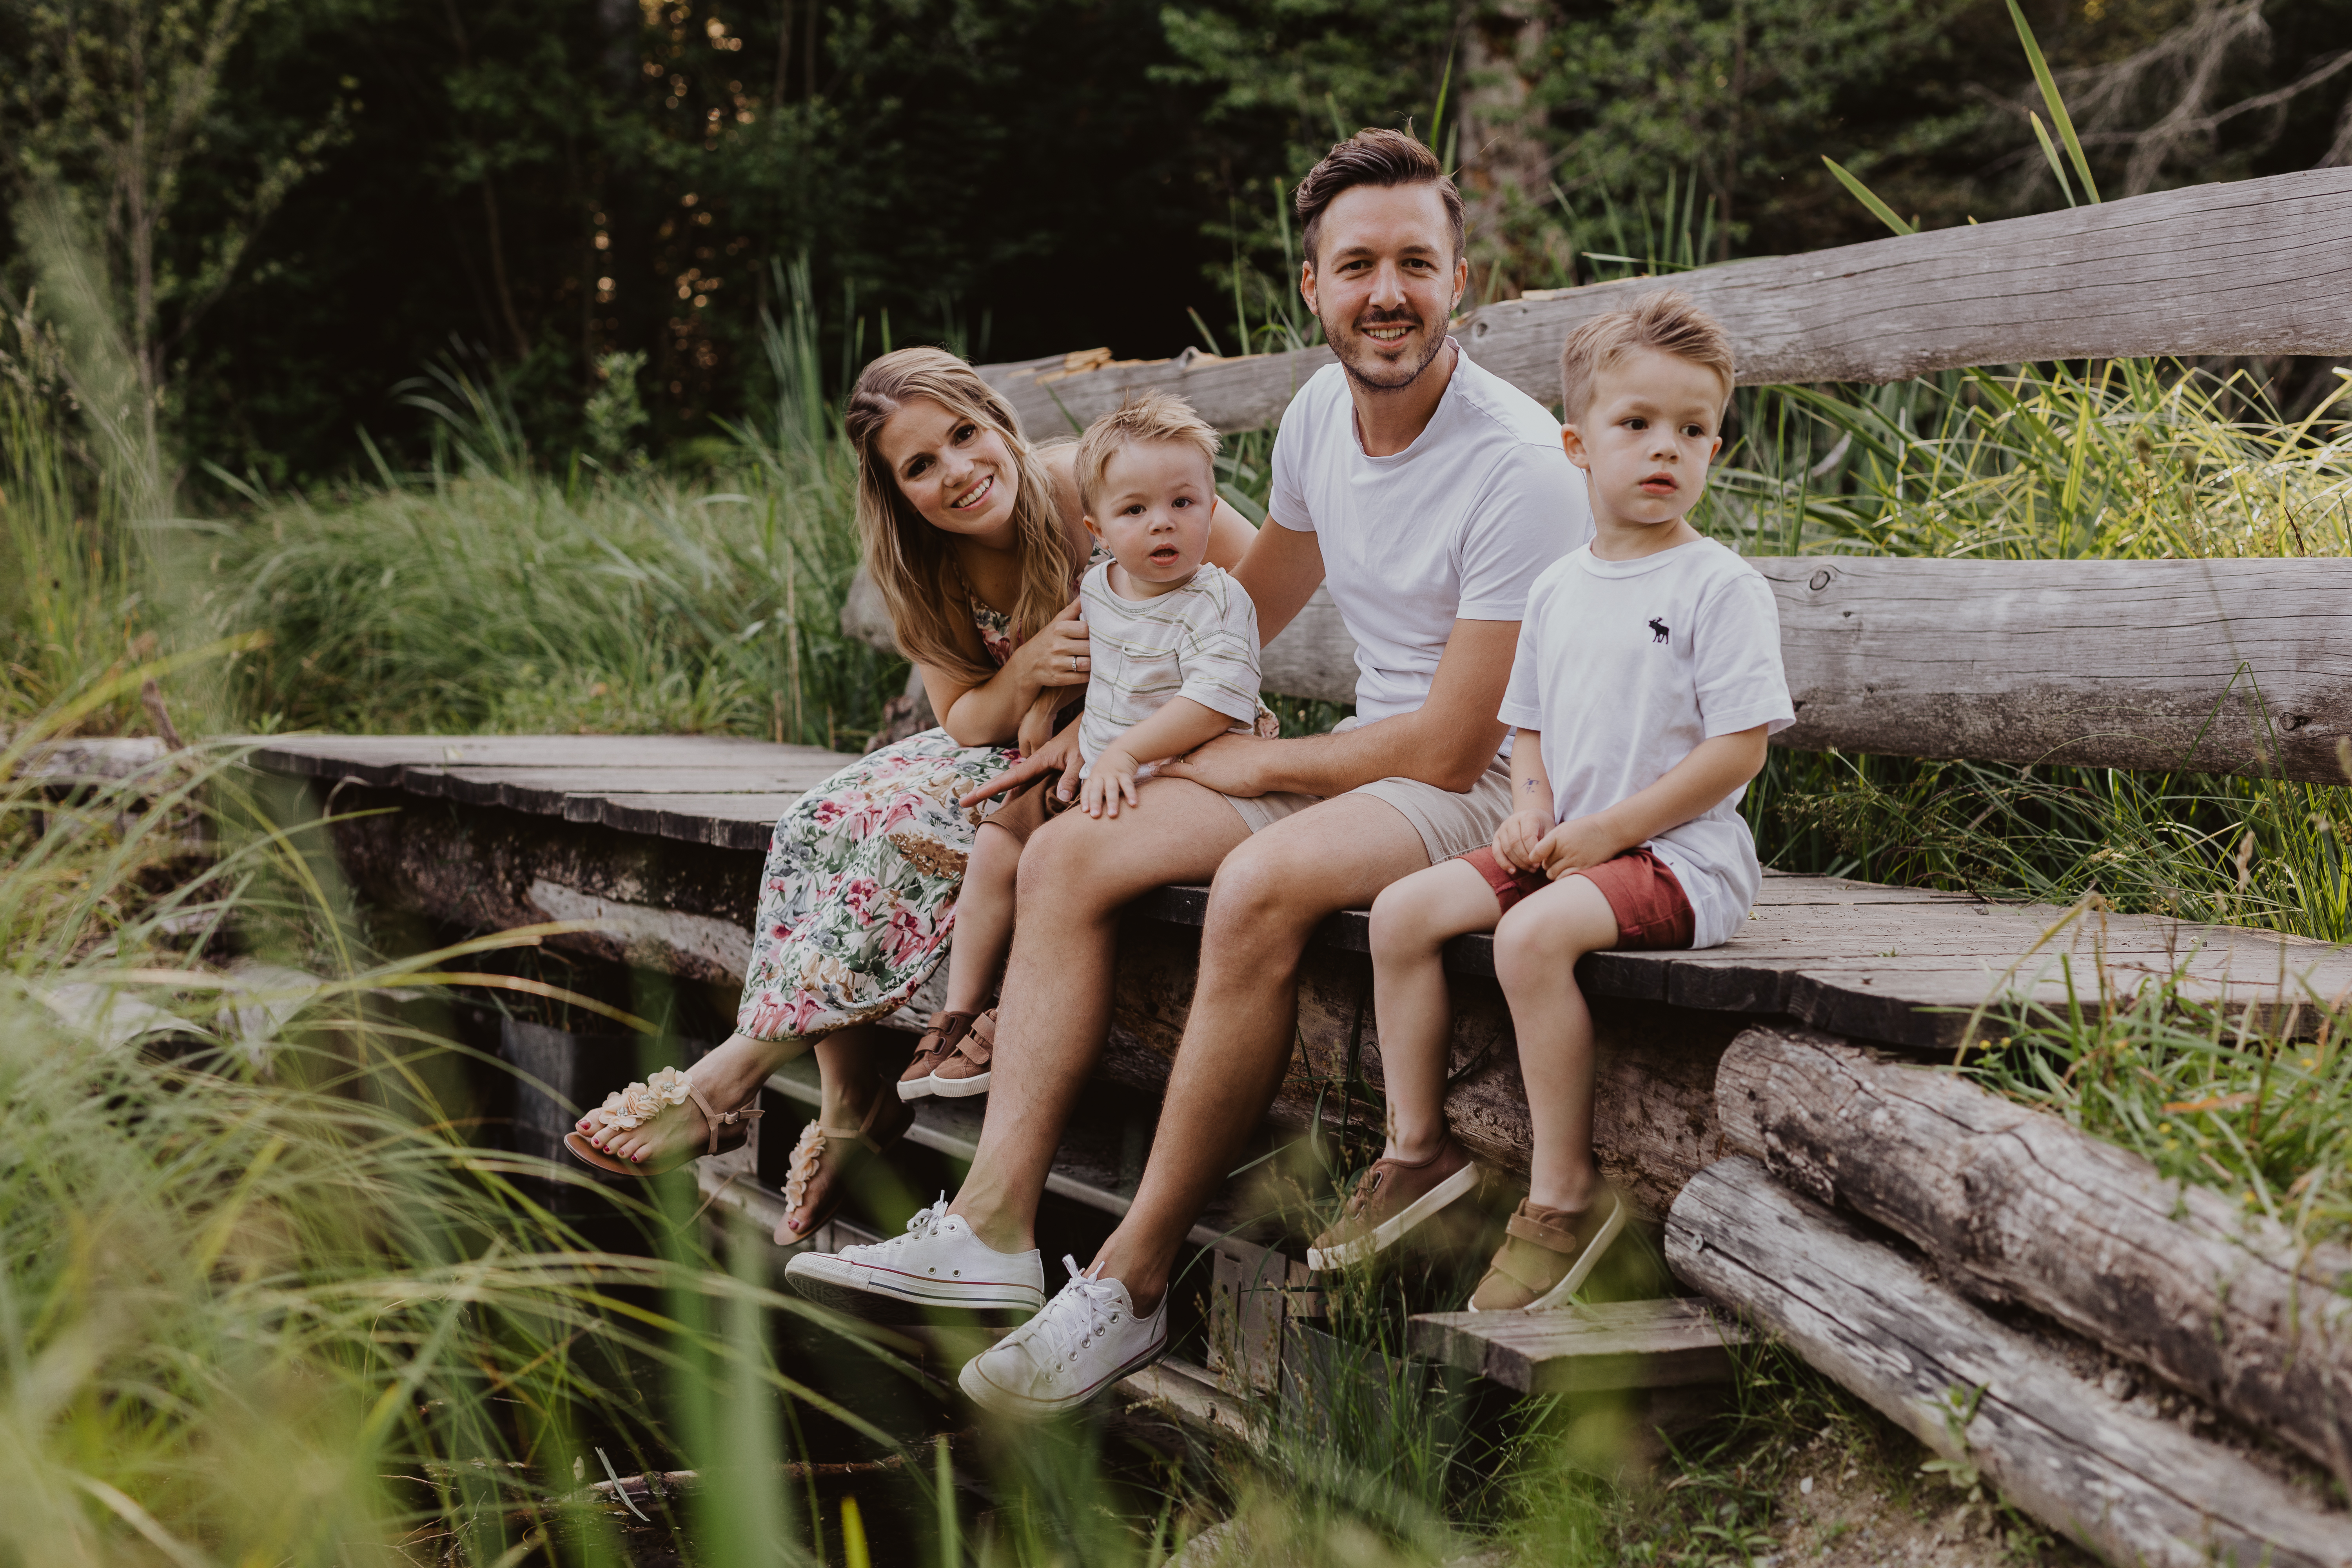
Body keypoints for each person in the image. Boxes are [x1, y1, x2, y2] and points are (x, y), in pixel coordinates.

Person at [782, 129, 1590, 1417]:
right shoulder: (1326, 414)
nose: (1389, 291)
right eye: (1358, 264)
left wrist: (1241, 759)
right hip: (1374, 768)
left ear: (1460, 278)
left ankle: (1131, 1284)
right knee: (1068, 847)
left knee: (1262, 882)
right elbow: (1241, 611)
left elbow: (1453, 747)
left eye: (1416, 264)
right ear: (1313, 285)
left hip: (1516, 786)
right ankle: (991, 1229)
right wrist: (1088, 734)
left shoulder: (1518, 466)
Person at [562, 347, 1254, 1247]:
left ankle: (729, 1079)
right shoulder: (923, 565)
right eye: (921, 466)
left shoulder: (1075, 483)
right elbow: (966, 719)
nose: (958, 472)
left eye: (964, 436)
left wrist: (1145, 701)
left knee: (920, 821)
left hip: (1133, 746)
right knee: (821, 818)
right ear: (896, 491)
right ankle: (852, 1098)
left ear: (997, 421)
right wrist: (1034, 668)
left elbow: (1252, 577)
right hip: (1006, 740)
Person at [1307, 291, 1792, 1310]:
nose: (1667, 449)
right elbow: (1526, 728)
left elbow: (1738, 750)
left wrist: (1613, 830)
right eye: (1637, 425)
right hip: (1566, 843)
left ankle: (1565, 1198)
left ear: (1717, 446)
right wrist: (1527, 809)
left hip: (1677, 860)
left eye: (1693, 430)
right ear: (1578, 444)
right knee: (1403, 913)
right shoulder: (1560, 586)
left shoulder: (1717, 585)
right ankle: (1417, 1149)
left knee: (1530, 943)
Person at [897, 390, 1275, 1103]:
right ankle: (958, 1010)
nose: (1162, 524)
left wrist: (1127, 752)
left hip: (1178, 776)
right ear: (1098, 528)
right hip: (1095, 767)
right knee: (995, 846)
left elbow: (1216, 700)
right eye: (1136, 512)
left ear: (1211, 503)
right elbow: (1095, 665)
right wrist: (1048, 710)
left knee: (1061, 862)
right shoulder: (1101, 587)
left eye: (1184, 504)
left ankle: (1019, 1007)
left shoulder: (1217, 600)